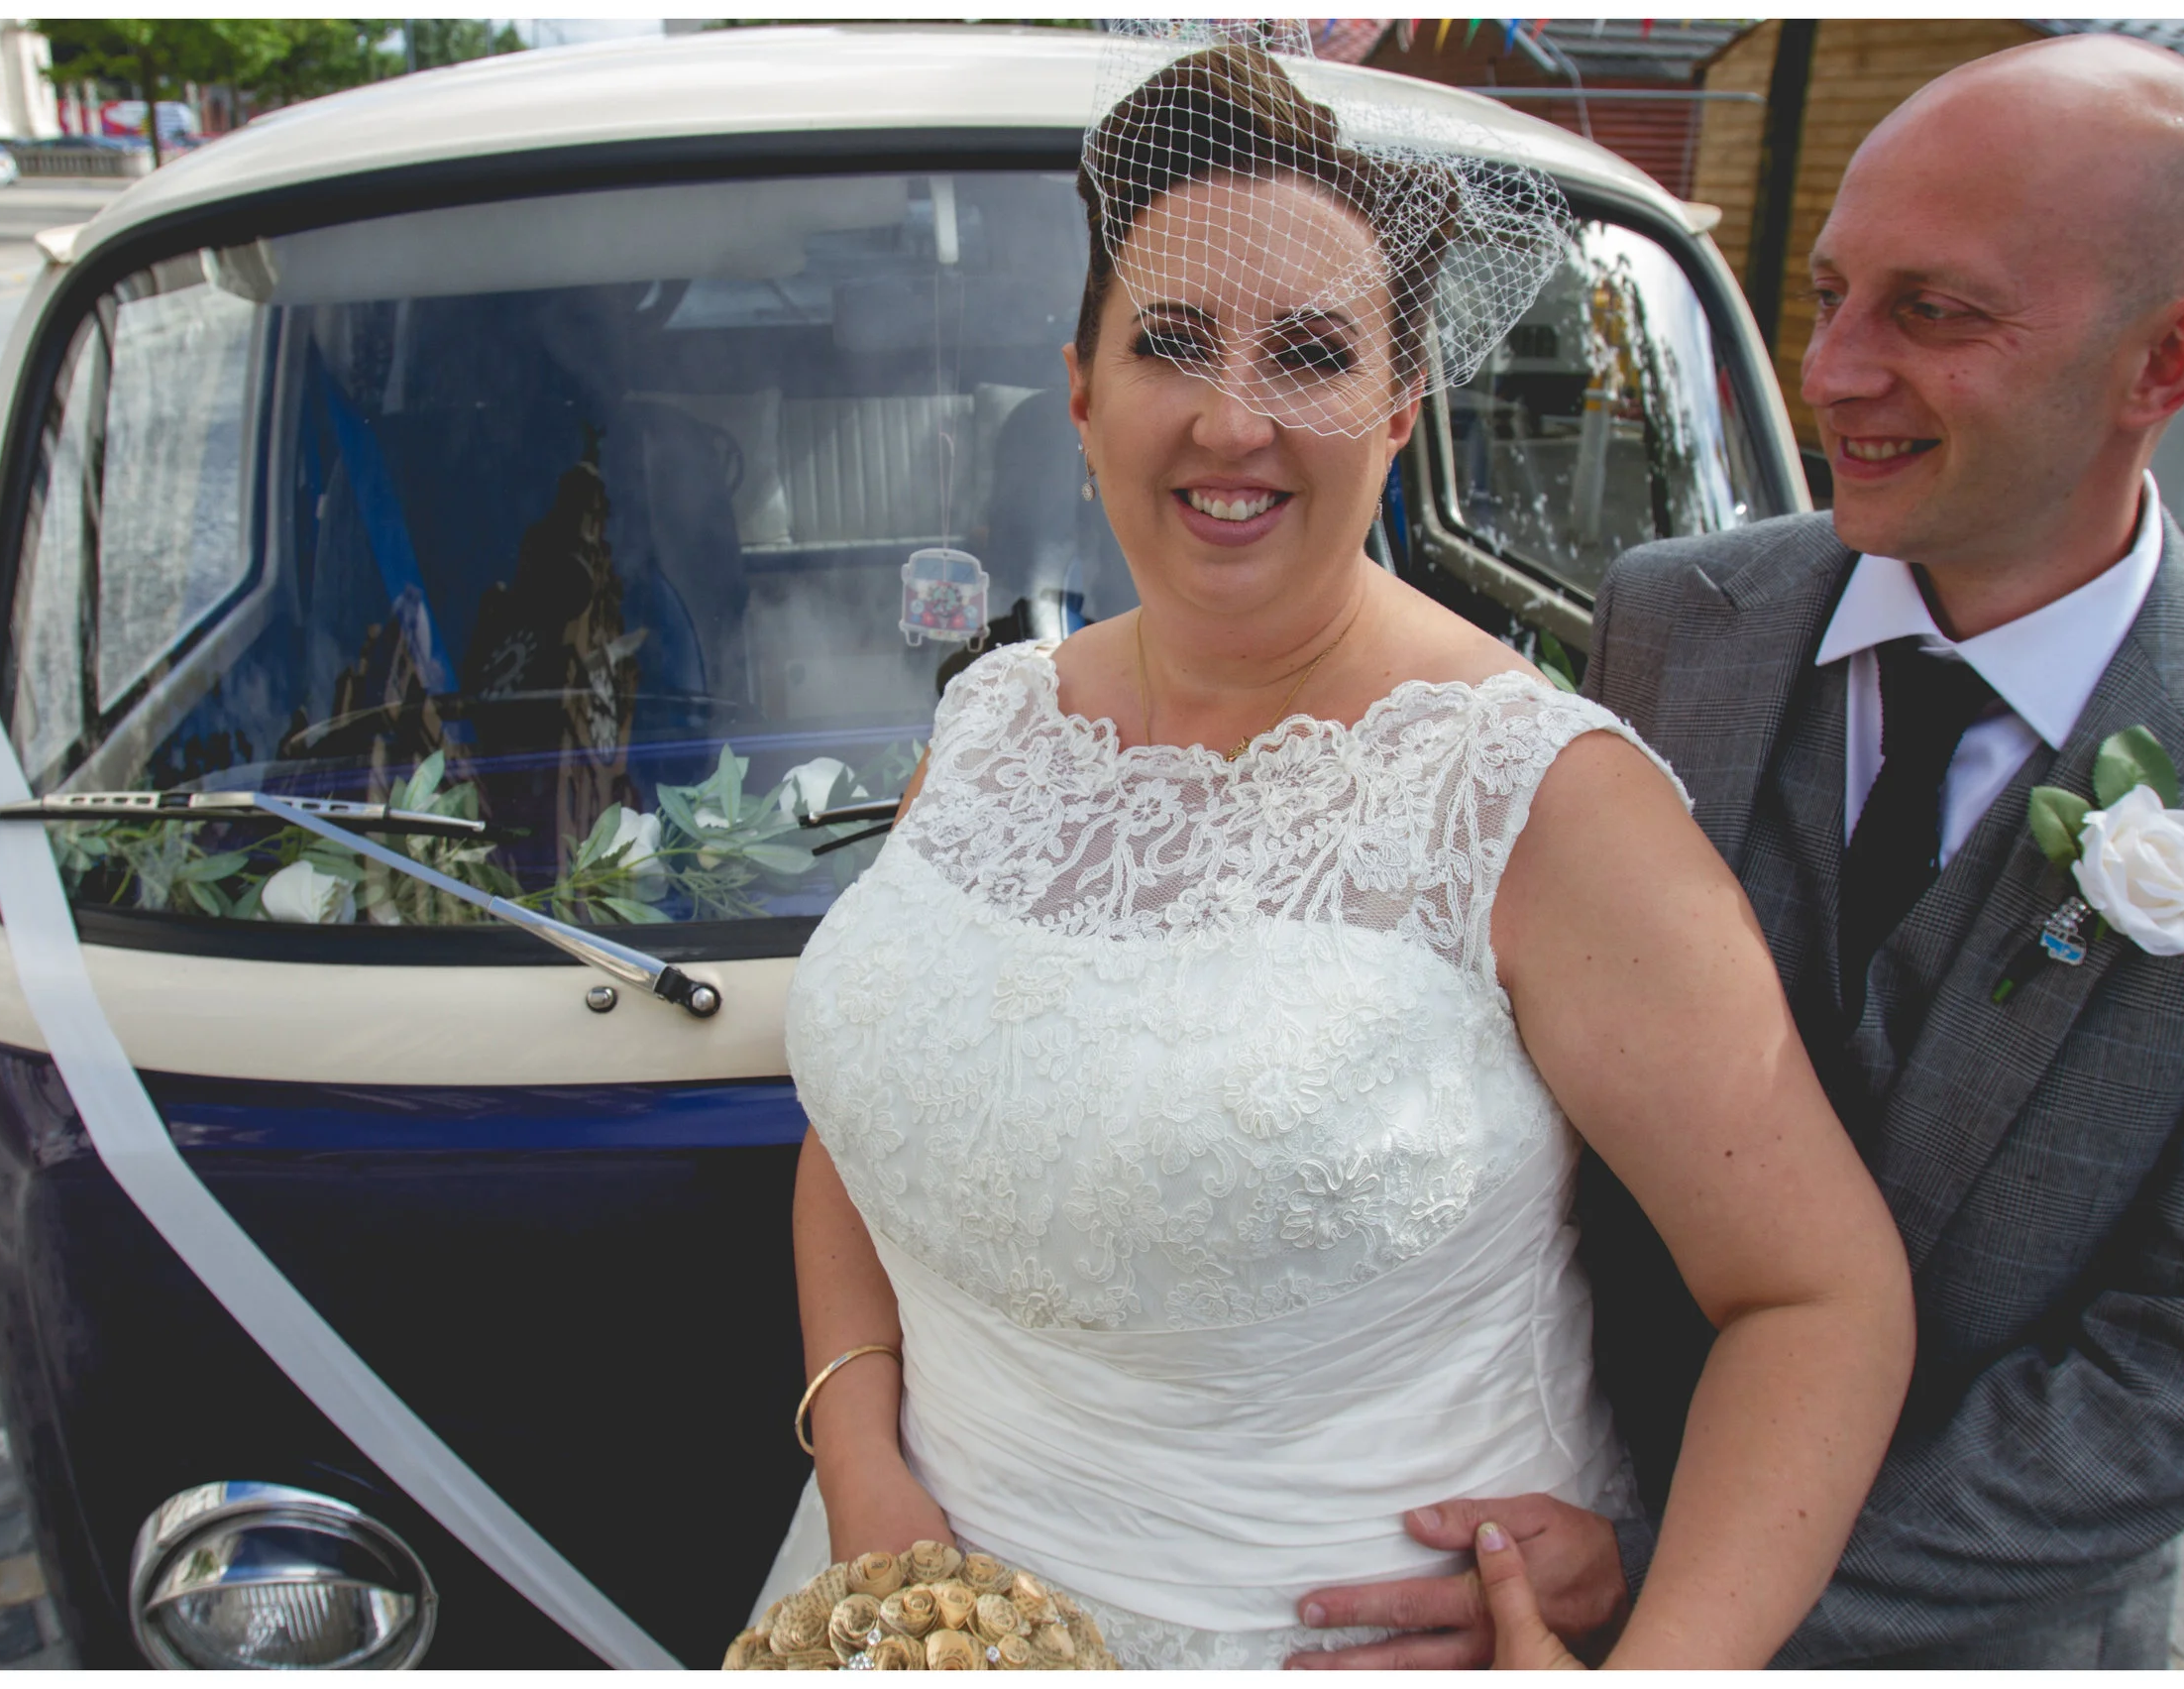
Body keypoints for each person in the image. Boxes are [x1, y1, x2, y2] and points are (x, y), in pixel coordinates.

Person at [754, 34, 1914, 1670]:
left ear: (1399, 407)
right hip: (909, 1611)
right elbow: (865, 1124)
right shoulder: (998, 723)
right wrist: (861, 1468)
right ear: (1081, 392)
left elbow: (1821, 1301)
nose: (1236, 421)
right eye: (1173, 344)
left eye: (1310, 354)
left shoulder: (1541, 799)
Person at [1303, 32, 2184, 1670]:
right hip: (1536, 1547)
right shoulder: (1670, 618)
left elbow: (2183, 1373)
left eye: (1934, 312)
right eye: (1833, 291)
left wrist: (1663, 1588)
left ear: (2166, 363)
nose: (1832, 370)